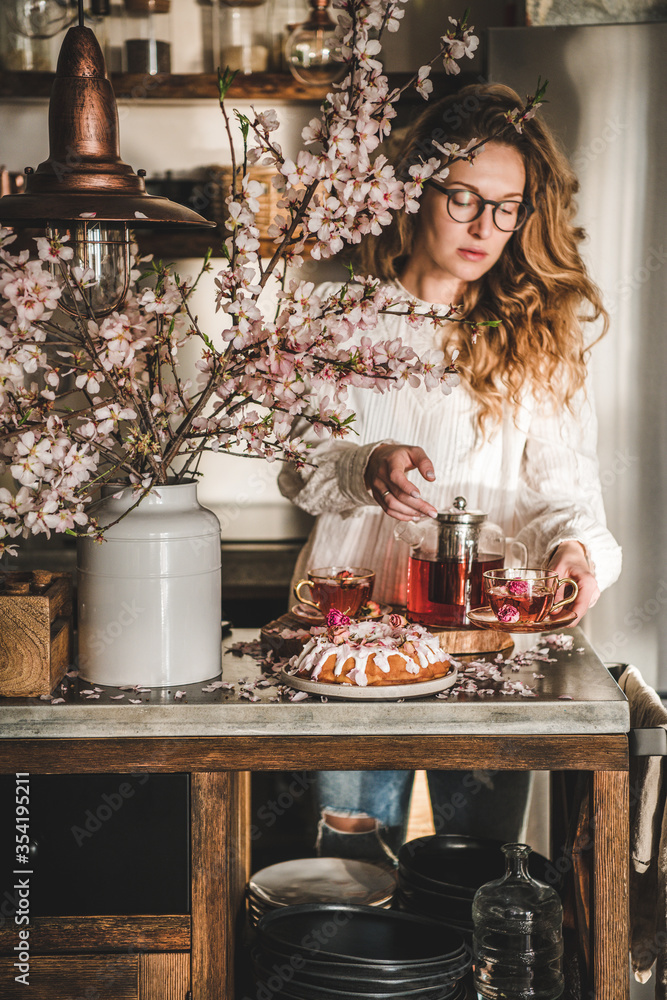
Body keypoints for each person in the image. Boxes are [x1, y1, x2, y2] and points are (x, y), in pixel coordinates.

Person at [277, 83, 622, 863]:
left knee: (479, 868)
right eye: (464, 197)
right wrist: (365, 464)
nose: (483, 226)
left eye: (507, 208)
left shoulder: (536, 334)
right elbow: (299, 469)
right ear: (415, 191)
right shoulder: (337, 317)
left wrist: (576, 552)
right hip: (352, 646)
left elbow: (564, 496)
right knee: (347, 867)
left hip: (489, 646)